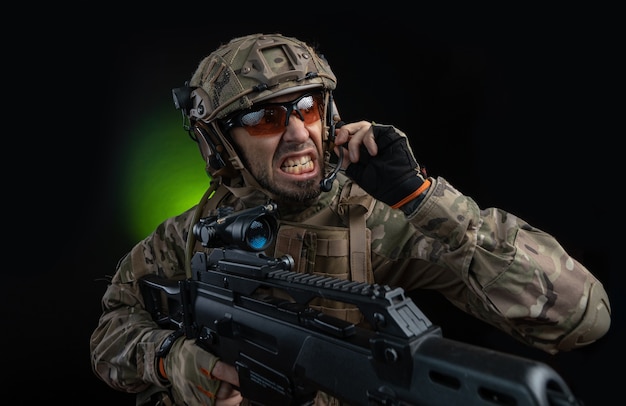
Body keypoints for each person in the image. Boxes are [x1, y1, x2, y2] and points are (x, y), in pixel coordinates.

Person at [90, 33, 611, 406]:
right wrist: (171, 361)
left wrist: (423, 199)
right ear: (220, 143)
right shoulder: (185, 236)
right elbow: (110, 332)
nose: (298, 133)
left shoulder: (373, 220)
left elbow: (581, 317)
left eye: (309, 108)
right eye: (263, 117)